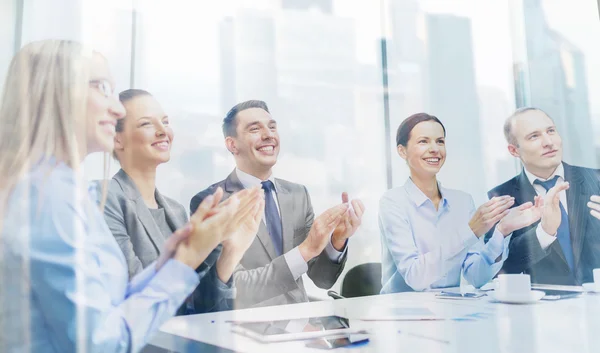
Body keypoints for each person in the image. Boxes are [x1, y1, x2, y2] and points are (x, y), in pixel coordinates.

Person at [0, 40, 262, 353]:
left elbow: (109, 305)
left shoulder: (63, 190)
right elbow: (103, 342)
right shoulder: (49, 197)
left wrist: (177, 258)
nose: (117, 107)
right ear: (58, 93)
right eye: (101, 87)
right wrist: (189, 256)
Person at [190, 100, 365, 308]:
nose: (268, 134)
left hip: (303, 327)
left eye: (272, 127)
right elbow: (232, 287)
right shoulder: (212, 202)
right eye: (255, 129)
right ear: (232, 144)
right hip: (249, 330)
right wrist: (305, 250)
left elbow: (322, 280)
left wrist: (336, 241)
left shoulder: (297, 194)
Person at [104, 89, 259, 313]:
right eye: (147, 124)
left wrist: (230, 250)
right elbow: (133, 294)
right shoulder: (107, 197)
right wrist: (197, 246)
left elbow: (199, 305)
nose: (162, 131)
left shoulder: (175, 211)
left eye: (165, 121)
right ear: (117, 139)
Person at [379, 113, 542, 292]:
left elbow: (476, 277)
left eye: (440, 141)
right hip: (403, 313)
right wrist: (470, 230)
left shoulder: (462, 202)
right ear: (402, 151)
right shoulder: (393, 202)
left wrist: (502, 232)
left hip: (448, 311)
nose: (435, 149)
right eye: (423, 141)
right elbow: (415, 277)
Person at [486, 107, 600, 285]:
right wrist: (543, 234)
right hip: (543, 308)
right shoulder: (501, 198)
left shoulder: (596, 181)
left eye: (551, 131)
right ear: (514, 151)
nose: (548, 142)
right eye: (534, 136)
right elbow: (496, 270)